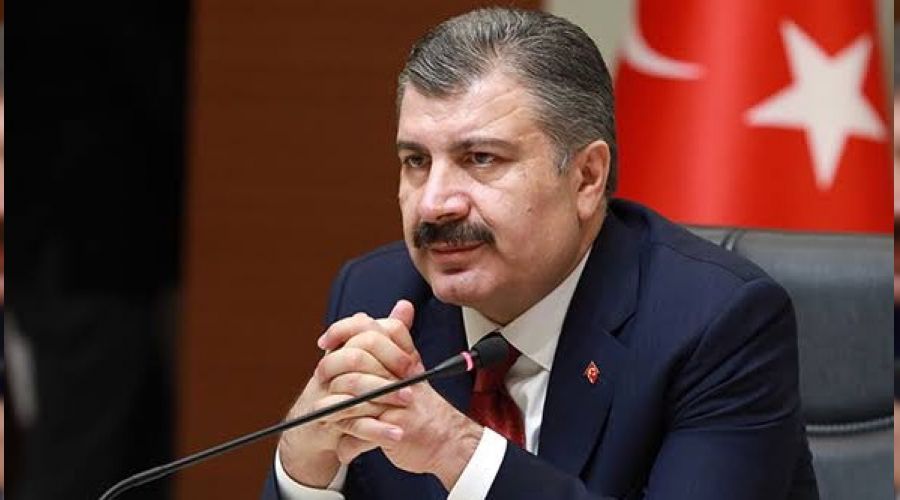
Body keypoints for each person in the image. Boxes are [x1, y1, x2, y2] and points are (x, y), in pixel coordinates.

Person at [262, 8, 818, 500]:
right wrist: (304, 471)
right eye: (416, 161)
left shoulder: (713, 324)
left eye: (481, 158)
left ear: (586, 178)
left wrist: (455, 450)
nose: (433, 204)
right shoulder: (379, 296)